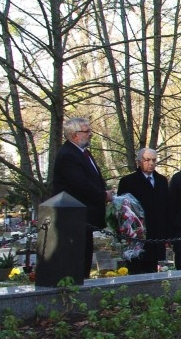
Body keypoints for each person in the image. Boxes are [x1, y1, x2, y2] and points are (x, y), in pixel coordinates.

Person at [51, 117, 114, 278]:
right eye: (87, 131)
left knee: (84, 257)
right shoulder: (68, 155)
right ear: (74, 135)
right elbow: (80, 184)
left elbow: (93, 179)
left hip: (84, 217)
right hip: (74, 216)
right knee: (76, 263)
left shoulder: (83, 153)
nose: (91, 134)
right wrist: (102, 196)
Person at [117, 148, 169, 274]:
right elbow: (121, 211)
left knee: (152, 271)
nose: (151, 163)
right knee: (136, 271)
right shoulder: (128, 181)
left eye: (153, 160)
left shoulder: (162, 181)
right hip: (136, 235)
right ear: (139, 162)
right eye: (147, 160)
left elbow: (166, 207)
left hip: (156, 235)